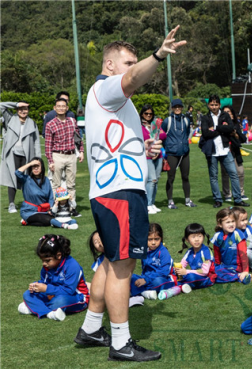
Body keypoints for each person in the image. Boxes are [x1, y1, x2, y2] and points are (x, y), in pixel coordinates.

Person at [75, 27, 185, 361]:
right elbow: (132, 79)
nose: (134, 66)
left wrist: (143, 147)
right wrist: (159, 55)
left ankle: (91, 328)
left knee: (111, 262)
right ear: (109, 64)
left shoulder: (114, 100)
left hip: (111, 190)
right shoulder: (107, 87)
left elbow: (116, 142)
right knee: (124, 265)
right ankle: (121, 344)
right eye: (128, 62)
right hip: (119, 192)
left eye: (136, 61)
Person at [19, 234, 89, 321]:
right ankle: (50, 314)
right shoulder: (47, 267)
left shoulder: (72, 266)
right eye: (42, 260)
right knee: (27, 294)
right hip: (52, 295)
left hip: (76, 297)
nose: (44, 264)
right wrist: (36, 286)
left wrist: (46, 289)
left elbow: (68, 291)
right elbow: (44, 282)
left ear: (59, 255)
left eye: (47, 260)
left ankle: (35, 308)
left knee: (60, 301)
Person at [201, 95, 249, 208]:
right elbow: (205, 133)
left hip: (225, 150)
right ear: (208, 105)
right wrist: (222, 130)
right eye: (211, 104)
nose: (214, 107)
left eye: (216, 104)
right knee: (213, 176)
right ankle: (217, 199)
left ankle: (237, 199)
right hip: (212, 151)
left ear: (219, 105)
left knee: (233, 174)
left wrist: (216, 128)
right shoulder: (205, 118)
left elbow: (231, 128)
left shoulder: (225, 115)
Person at [44, 97, 84, 217]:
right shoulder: (50, 124)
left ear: (67, 108)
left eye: (63, 106)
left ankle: (72, 207)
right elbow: (48, 145)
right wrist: (50, 161)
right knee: (56, 184)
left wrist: (81, 151)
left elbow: (78, 138)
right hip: (57, 155)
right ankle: (57, 207)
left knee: (71, 184)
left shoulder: (72, 121)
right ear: (54, 108)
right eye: (58, 106)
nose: (61, 108)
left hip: (71, 155)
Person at [1, 101, 41, 213]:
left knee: (27, 179)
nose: (23, 111)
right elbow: (1, 105)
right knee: (12, 178)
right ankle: (11, 204)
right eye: (20, 109)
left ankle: (29, 202)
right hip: (12, 154)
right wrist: (16, 104)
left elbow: (36, 141)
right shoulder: (10, 118)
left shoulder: (32, 123)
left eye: (26, 109)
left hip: (27, 155)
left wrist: (37, 158)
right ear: (17, 109)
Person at [162, 98, 196, 209]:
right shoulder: (167, 121)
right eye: (175, 107)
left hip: (184, 153)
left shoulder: (185, 120)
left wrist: (185, 145)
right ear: (172, 108)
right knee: (171, 177)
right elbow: (162, 135)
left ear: (182, 108)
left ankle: (187, 200)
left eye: (179, 107)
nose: (177, 109)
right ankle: (170, 201)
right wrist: (167, 148)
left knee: (185, 177)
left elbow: (186, 134)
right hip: (172, 153)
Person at [130, 223, 177, 300]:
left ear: (161, 238)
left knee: (158, 282)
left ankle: (142, 292)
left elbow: (164, 271)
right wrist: (142, 279)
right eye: (150, 239)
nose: (153, 242)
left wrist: (146, 280)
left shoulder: (163, 252)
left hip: (163, 279)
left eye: (156, 239)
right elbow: (145, 269)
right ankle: (145, 291)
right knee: (130, 277)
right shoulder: (145, 250)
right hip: (146, 278)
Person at [211, 208, 251, 284]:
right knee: (211, 271)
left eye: (233, 221)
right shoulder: (217, 236)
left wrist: (245, 271)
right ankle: (237, 277)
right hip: (224, 266)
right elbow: (217, 254)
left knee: (215, 276)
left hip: (236, 267)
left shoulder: (238, 234)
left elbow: (243, 254)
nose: (231, 224)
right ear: (220, 224)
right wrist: (217, 265)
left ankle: (239, 276)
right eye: (228, 222)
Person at [140, 104, 167, 214]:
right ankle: (148, 204)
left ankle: (152, 202)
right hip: (146, 156)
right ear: (142, 114)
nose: (148, 115)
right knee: (152, 180)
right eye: (146, 113)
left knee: (157, 179)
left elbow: (164, 135)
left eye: (150, 114)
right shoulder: (139, 126)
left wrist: (157, 131)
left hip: (158, 154)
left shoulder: (155, 125)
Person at [176, 223, 216, 290]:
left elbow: (205, 271)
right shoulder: (189, 252)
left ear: (203, 237)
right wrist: (178, 270)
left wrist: (186, 271)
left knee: (191, 277)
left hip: (206, 278)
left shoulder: (206, 251)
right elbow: (182, 265)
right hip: (193, 275)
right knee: (175, 275)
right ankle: (182, 285)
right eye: (193, 237)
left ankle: (180, 286)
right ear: (187, 240)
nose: (197, 239)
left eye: (199, 236)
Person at [16, 158, 55, 227]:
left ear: (42, 167)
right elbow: (17, 173)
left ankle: (26, 222)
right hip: (29, 211)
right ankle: (27, 220)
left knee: (55, 218)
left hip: (44, 210)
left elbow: (50, 197)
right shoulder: (26, 179)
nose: (36, 168)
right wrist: (30, 163)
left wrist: (51, 209)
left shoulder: (46, 180)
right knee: (48, 221)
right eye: (34, 166)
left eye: (38, 166)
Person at [221, 105, 247, 202]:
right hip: (224, 151)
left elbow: (243, 139)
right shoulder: (220, 124)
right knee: (225, 173)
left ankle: (240, 192)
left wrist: (235, 133)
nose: (227, 114)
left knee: (240, 172)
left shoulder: (236, 124)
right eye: (225, 112)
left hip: (235, 151)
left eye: (229, 112)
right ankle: (227, 194)